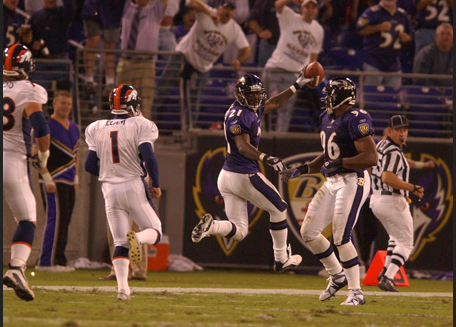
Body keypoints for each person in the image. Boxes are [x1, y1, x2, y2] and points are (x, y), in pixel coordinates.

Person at [191, 70, 315, 272]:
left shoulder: (246, 109)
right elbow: (242, 146)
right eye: (251, 94)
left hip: (227, 177)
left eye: (258, 94)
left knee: (239, 231)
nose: (256, 98)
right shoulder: (239, 116)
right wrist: (266, 157)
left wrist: (297, 85)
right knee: (280, 209)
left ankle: (211, 226)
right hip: (243, 175)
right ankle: (281, 258)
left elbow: (274, 103)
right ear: (240, 94)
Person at [280, 77, 378, 305]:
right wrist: (303, 169)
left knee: (342, 236)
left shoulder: (356, 117)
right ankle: (337, 275)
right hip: (334, 180)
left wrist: (339, 163)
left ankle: (356, 292)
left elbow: (370, 157)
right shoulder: (326, 117)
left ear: (343, 97)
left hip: (355, 179)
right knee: (309, 232)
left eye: (331, 94)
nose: (326, 98)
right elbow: (328, 154)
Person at [84, 84, 163, 300]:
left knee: (120, 242)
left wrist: (111, 170)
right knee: (155, 231)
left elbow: (89, 166)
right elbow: (148, 156)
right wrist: (155, 183)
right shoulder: (141, 124)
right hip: (133, 185)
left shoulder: (96, 127)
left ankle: (122, 290)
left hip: (109, 189)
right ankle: (137, 237)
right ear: (134, 103)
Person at [3, 44, 51, 301]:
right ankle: (17, 268)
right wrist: (43, 156)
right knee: (27, 218)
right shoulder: (30, 90)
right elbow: (41, 128)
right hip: (12, 160)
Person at [370, 115, 429, 292]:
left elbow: (374, 165)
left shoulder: (381, 145)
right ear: (389, 131)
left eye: (405, 130)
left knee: (395, 238)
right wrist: (412, 187)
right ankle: (388, 277)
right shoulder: (394, 152)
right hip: (392, 200)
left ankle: (385, 271)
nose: (403, 133)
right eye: (398, 130)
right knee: (406, 243)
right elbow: (388, 177)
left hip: (376, 199)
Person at [172, 0, 251, 127]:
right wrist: (210, 13)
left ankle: (188, 130)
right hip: (183, 57)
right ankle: (149, 121)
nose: (228, 11)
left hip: (203, 67)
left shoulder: (234, 29)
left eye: (231, 9)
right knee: (163, 88)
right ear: (219, 8)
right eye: (226, 8)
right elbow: (191, 3)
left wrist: (239, 61)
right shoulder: (207, 13)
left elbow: (247, 50)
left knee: (195, 100)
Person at [34, 90, 80, 273]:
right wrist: (46, 178)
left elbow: (76, 156)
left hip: (68, 181)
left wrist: (76, 179)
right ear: (54, 104)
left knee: (65, 221)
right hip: (53, 179)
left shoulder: (74, 127)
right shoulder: (46, 125)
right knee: (55, 220)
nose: (67, 107)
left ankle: (59, 260)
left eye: (69, 104)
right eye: (63, 103)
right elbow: (35, 154)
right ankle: (47, 261)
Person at [262, 0, 324, 132]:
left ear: (317, 11)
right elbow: (278, 5)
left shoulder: (318, 30)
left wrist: (309, 75)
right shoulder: (290, 17)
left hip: (294, 74)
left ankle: (279, 138)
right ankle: (258, 133)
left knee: (285, 110)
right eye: (307, 6)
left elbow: (314, 56)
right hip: (274, 67)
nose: (310, 10)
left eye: (313, 7)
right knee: (262, 104)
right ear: (301, 8)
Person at [115, 0, 168, 120]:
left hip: (146, 64)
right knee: (121, 103)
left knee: (145, 104)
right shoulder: (127, 7)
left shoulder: (154, 11)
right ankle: (121, 135)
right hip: (126, 62)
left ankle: (144, 137)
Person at [356, 0, 414, 89]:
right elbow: (360, 30)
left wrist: (406, 38)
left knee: (393, 98)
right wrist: (378, 28)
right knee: (371, 96)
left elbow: (410, 34)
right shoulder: (372, 12)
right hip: (373, 62)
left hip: (394, 64)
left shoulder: (402, 14)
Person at [81, 0, 126, 96]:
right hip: (93, 7)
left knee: (110, 46)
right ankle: (88, 79)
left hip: (114, 10)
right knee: (92, 40)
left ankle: (110, 82)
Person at [29, 0, 75, 90]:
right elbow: (28, 39)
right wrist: (33, 44)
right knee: (35, 92)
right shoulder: (35, 17)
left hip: (61, 62)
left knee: (68, 90)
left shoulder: (63, 13)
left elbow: (71, 6)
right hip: (41, 64)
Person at [412, 22, 453, 87]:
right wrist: (437, 90)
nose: (445, 37)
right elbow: (419, 79)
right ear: (436, 37)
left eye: (448, 34)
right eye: (442, 34)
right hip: (431, 93)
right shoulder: (426, 54)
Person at [247, 0, 280, 67]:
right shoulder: (264, 1)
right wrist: (260, 32)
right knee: (264, 73)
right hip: (270, 44)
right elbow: (251, 18)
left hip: (291, 45)